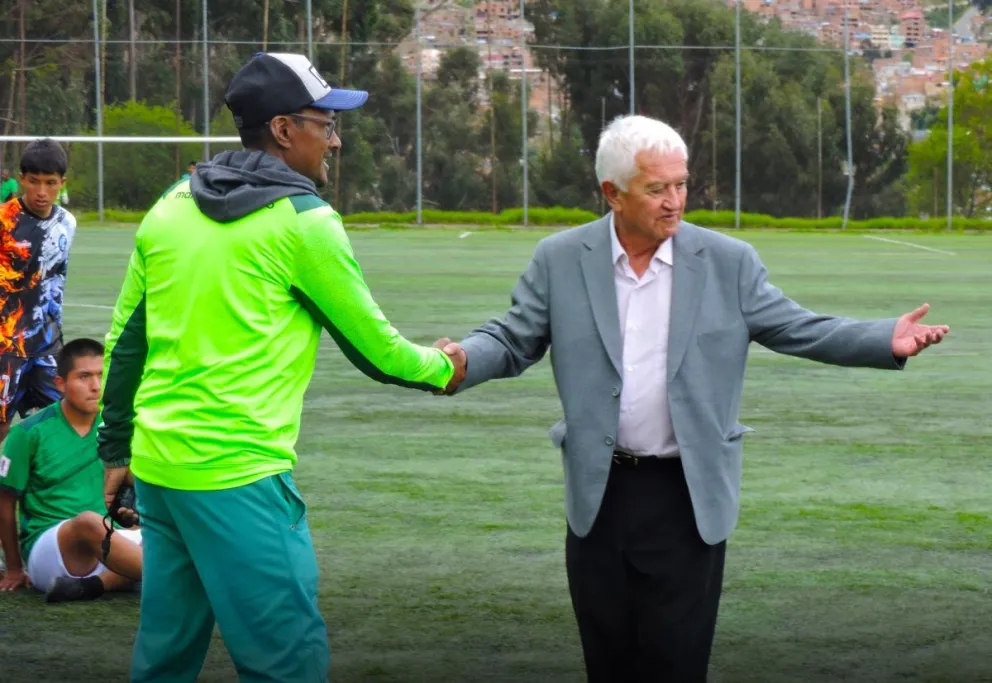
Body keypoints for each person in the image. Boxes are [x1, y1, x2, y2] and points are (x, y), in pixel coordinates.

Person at [438, 114, 950, 682]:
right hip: (598, 497)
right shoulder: (560, 258)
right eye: (657, 189)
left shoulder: (728, 262)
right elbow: (514, 337)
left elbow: (798, 327)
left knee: (676, 667)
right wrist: (462, 361)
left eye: (681, 184)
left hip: (687, 498)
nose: (675, 201)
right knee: (608, 665)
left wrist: (885, 338)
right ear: (613, 194)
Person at [97, 51, 466, 683]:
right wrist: (444, 367)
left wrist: (116, 447)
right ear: (284, 130)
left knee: (164, 659)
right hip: (240, 478)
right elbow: (376, 351)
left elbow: (125, 341)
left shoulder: (171, 201)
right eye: (325, 124)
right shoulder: (305, 222)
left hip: (160, 472)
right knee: (286, 662)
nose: (335, 140)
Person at [0, 338, 143, 602]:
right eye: (84, 377)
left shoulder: (118, 427)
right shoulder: (28, 433)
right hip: (52, 548)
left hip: (108, 544)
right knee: (87, 522)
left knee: (173, 528)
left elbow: (138, 481)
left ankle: (93, 586)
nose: (96, 386)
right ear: (61, 384)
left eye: (102, 375)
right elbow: (4, 503)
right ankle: (182, 577)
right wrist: (14, 568)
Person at [0, 139, 77, 445]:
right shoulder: (4, 221)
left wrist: (57, 334)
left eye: (50, 183)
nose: (42, 192)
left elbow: (57, 280)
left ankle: (51, 487)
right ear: (21, 179)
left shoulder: (66, 223)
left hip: (46, 345)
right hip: (5, 345)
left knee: (65, 418)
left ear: (62, 183)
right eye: (34, 182)